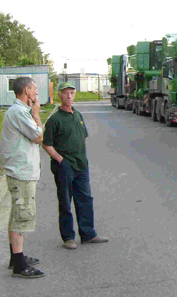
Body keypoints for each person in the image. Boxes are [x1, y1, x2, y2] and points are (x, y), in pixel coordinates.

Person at [42, 82, 108, 250]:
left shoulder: (78, 115)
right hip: (64, 166)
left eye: (72, 93)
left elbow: (81, 137)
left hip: (81, 165)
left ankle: (88, 234)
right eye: (66, 93)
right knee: (65, 201)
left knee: (85, 199)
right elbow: (46, 144)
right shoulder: (54, 119)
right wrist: (60, 160)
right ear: (59, 95)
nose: (69, 96)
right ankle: (68, 237)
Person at [0, 76, 45, 278]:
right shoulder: (19, 112)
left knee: (17, 214)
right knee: (22, 216)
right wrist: (36, 113)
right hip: (21, 173)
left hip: (21, 172)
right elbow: (38, 136)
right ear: (27, 91)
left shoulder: (18, 112)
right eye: (34, 89)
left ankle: (16, 257)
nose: (36, 93)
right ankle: (19, 264)